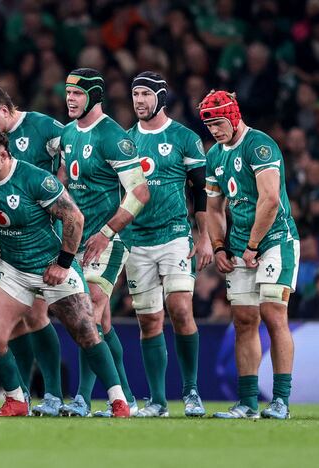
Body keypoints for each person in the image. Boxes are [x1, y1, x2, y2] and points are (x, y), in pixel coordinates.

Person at [0, 126, 130, 418]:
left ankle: (118, 401)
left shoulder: (35, 179)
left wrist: (64, 263)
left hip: (51, 266)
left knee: (86, 331)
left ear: (4, 156)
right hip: (13, 269)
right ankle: (16, 400)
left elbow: (74, 217)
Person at [0, 81, 66, 416]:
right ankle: (21, 392)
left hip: (43, 236)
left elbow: (77, 160)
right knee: (20, 322)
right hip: (3, 236)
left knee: (37, 315)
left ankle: (54, 393)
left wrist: (65, 196)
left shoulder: (45, 127)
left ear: (6, 111)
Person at [201, 90, 300, 420]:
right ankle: (247, 403)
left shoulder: (259, 145)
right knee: (244, 321)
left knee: (273, 315)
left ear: (232, 116)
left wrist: (253, 246)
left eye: (218, 123)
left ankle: (281, 400)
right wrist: (218, 246)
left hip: (275, 241)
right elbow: (214, 208)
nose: (214, 130)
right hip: (241, 246)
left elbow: (270, 200)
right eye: (209, 125)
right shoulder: (214, 155)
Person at [57, 68, 149, 417]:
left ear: (94, 96)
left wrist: (106, 232)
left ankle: (81, 399)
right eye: (68, 93)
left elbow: (140, 192)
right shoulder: (67, 133)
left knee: (88, 309)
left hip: (109, 238)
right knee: (103, 323)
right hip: (77, 239)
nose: (70, 98)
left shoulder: (113, 136)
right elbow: (64, 184)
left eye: (78, 93)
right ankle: (126, 396)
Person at [124, 72, 212, 417]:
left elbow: (201, 192)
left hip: (175, 234)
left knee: (180, 309)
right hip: (136, 239)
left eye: (145, 94)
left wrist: (203, 236)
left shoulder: (184, 137)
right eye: (135, 95)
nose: (139, 101)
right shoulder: (126, 140)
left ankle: (191, 391)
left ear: (161, 97)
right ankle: (158, 401)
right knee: (149, 321)